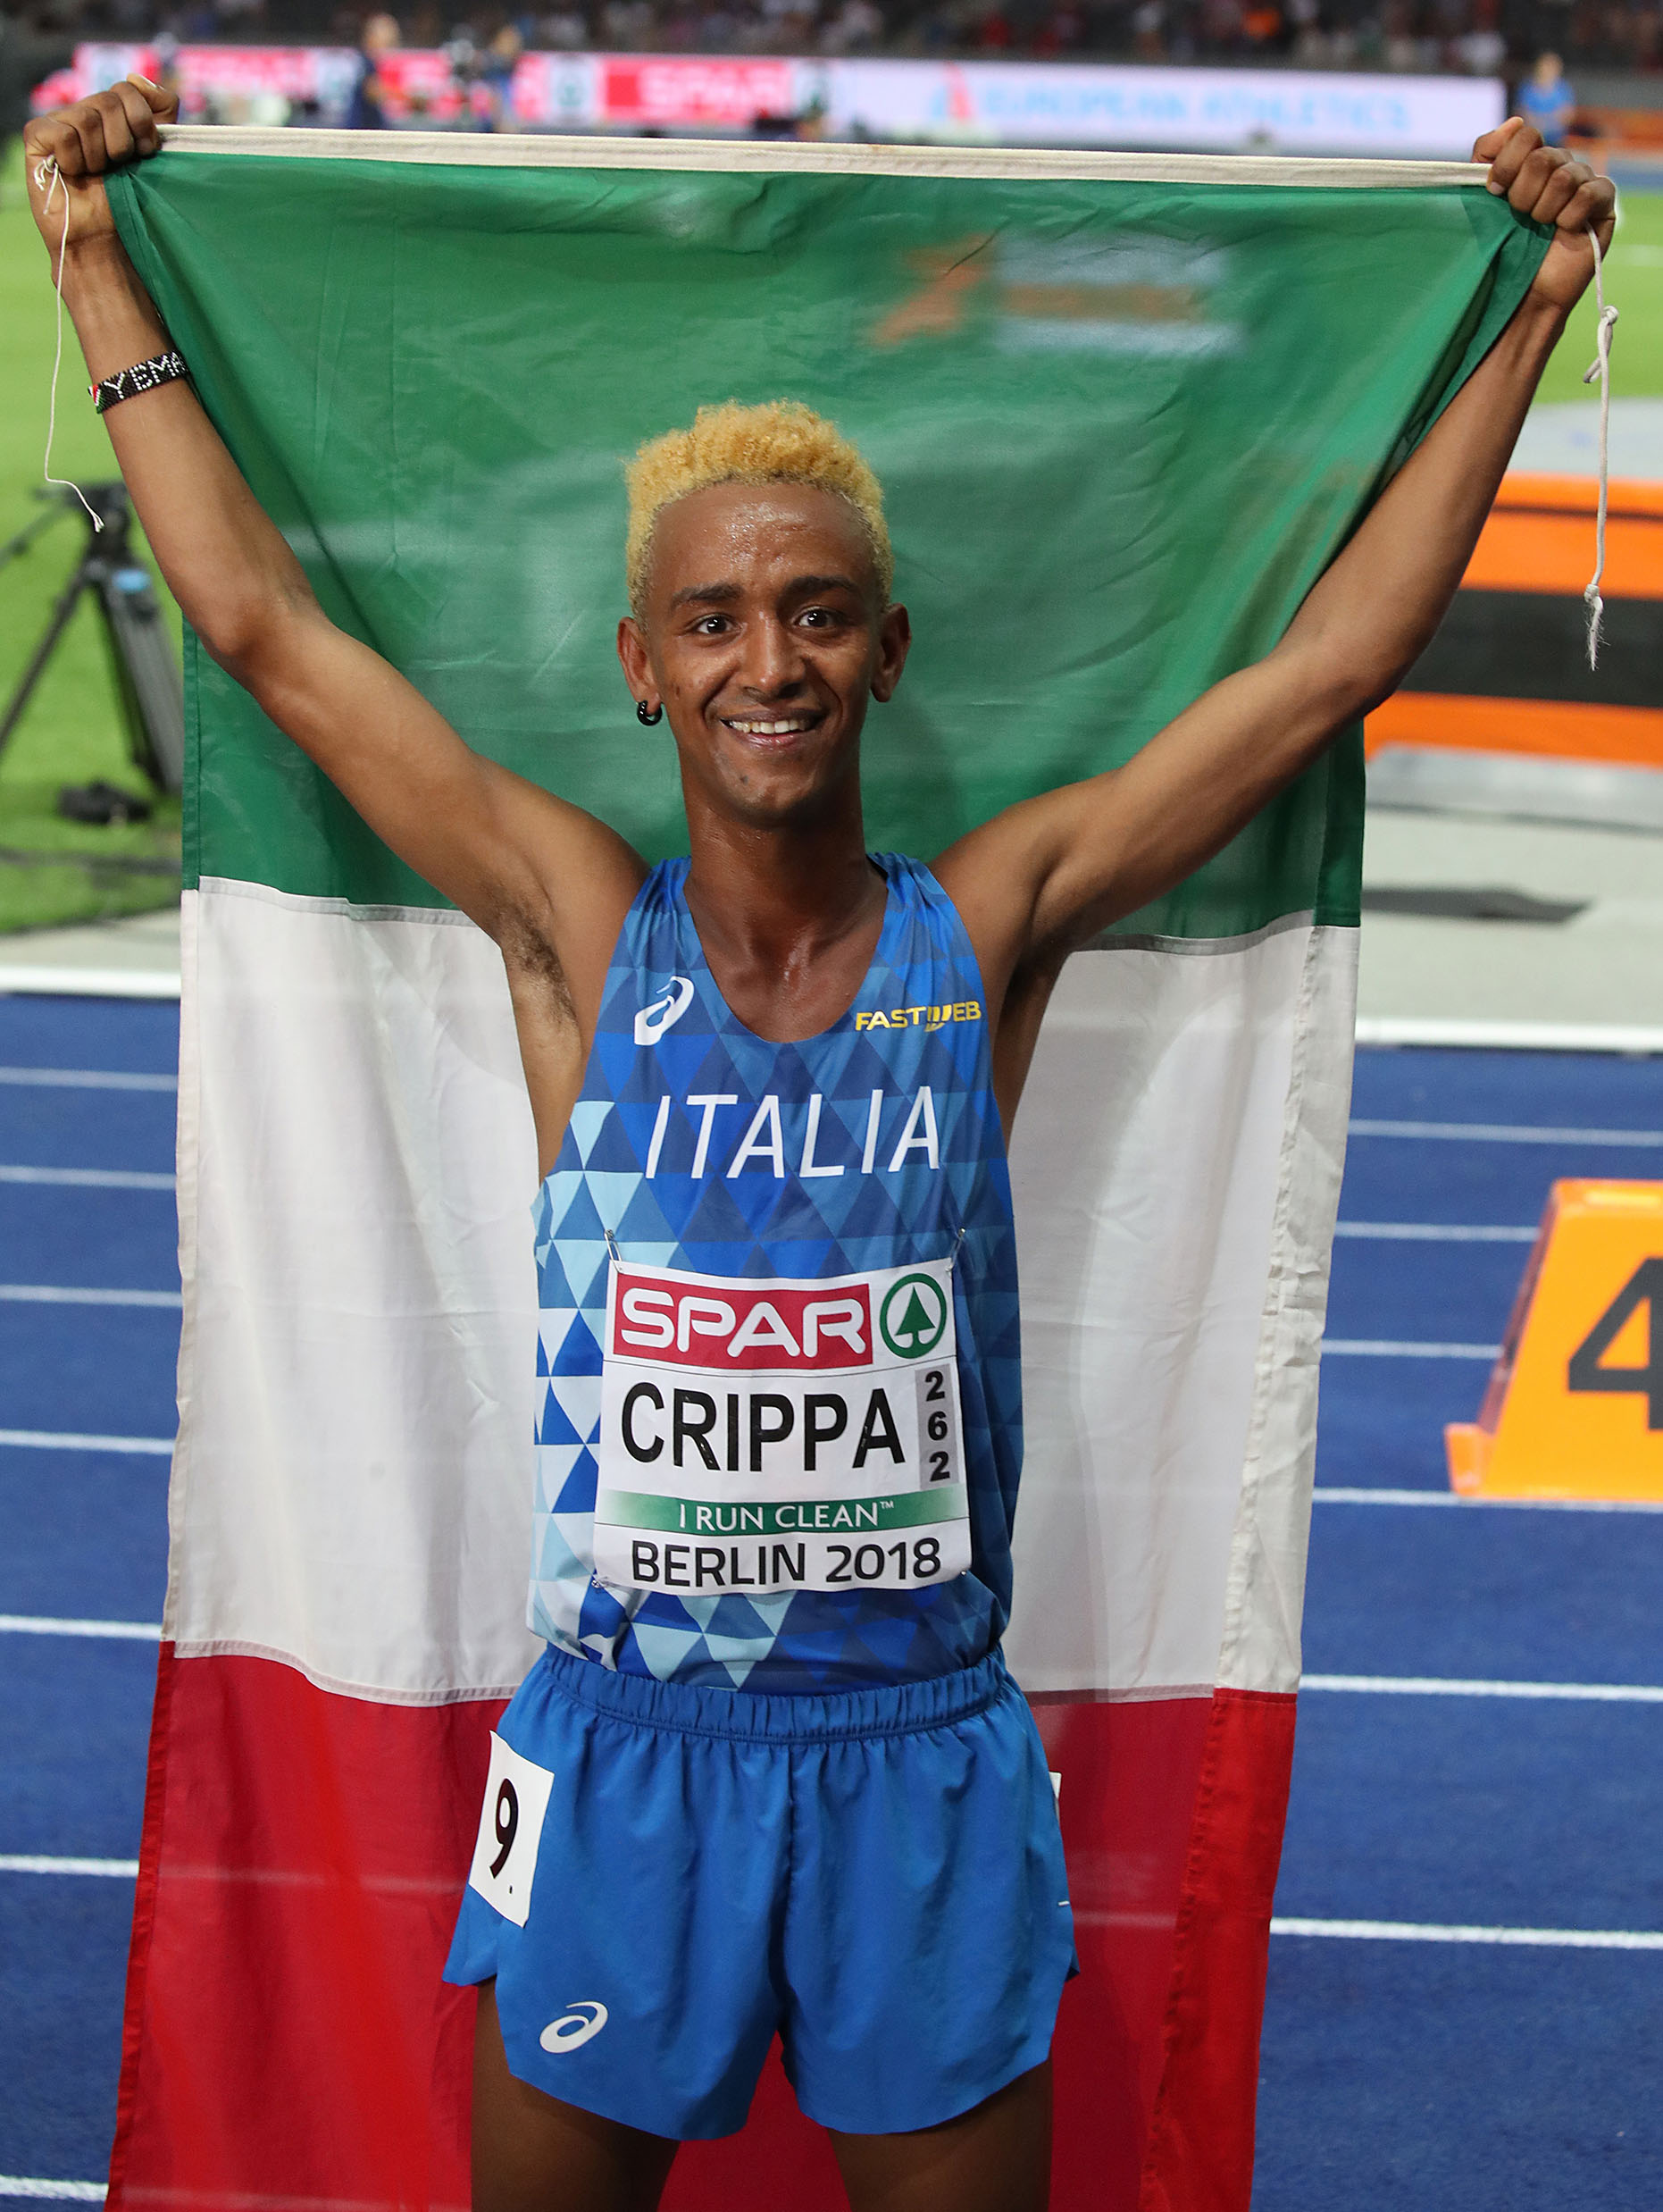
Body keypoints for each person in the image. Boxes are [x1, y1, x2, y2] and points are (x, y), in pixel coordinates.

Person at [22, 80, 1612, 2212]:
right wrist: (97, 263)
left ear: (886, 648)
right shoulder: (576, 929)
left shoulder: (994, 925)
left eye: (818, 610)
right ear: (642, 665)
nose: (767, 657)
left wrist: (1533, 305)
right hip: (626, 1749)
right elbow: (265, 635)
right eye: (713, 617)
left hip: (916, 1759)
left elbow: (1335, 662)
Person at [1520, 51, 1576, 147]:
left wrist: (1547, 123)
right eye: (1546, 65)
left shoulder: (1563, 89)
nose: (1548, 69)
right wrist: (1539, 123)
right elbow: (1524, 113)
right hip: (1532, 139)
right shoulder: (1527, 88)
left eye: (1552, 66)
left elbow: (1567, 115)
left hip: (1556, 141)